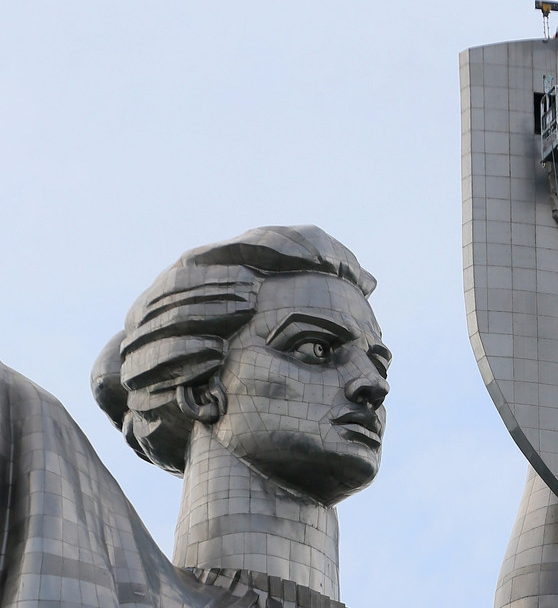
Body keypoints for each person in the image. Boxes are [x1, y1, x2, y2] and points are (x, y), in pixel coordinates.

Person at [0, 225, 389, 608]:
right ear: (201, 389)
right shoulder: (31, 440)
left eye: (378, 364)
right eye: (316, 348)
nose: (374, 384)